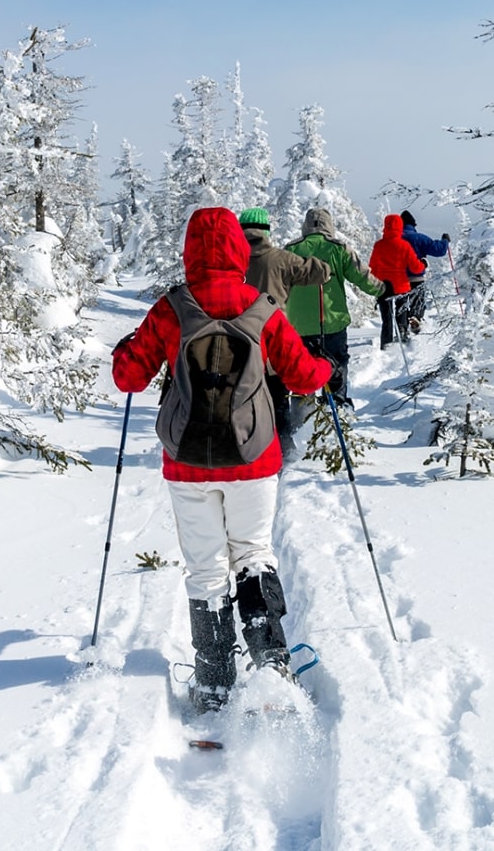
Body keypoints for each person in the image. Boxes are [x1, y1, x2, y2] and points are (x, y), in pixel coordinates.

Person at [112, 208, 332, 712]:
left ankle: (213, 685)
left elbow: (128, 378)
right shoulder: (262, 308)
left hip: (187, 464)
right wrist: (324, 365)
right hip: (253, 459)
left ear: (190, 250)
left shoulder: (172, 309)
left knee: (206, 570)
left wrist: (124, 350)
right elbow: (303, 378)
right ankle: (272, 667)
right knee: (253, 553)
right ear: (236, 248)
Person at [239, 206, 329, 457]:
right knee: (278, 396)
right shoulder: (281, 259)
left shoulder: (232, 262)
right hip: (274, 343)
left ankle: (246, 446)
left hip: (237, 345)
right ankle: (283, 447)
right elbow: (320, 272)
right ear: (266, 231)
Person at [283, 207, 382, 405]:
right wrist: (382, 289)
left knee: (302, 373)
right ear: (329, 226)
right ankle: (336, 406)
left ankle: (302, 416)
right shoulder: (339, 248)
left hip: (298, 325)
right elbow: (361, 277)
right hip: (332, 323)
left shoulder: (291, 249)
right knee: (336, 366)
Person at [368, 213, 426, 347]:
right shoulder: (404, 246)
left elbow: (372, 267)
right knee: (401, 313)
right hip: (401, 286)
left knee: (387, 319)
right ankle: (403, 334)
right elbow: (415, 267)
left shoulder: (379, 246)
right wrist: (424, 265)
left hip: (383, 287)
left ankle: (386, 344)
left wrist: (376, 284)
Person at [396, 211, 449, 335]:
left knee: (400, 304)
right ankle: (415, 318)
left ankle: (401, 327)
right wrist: (445, 241)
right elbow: (439, 250)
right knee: (418, 302)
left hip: (398, 279)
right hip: (416, 277)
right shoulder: (418, 238)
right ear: (413, 225)